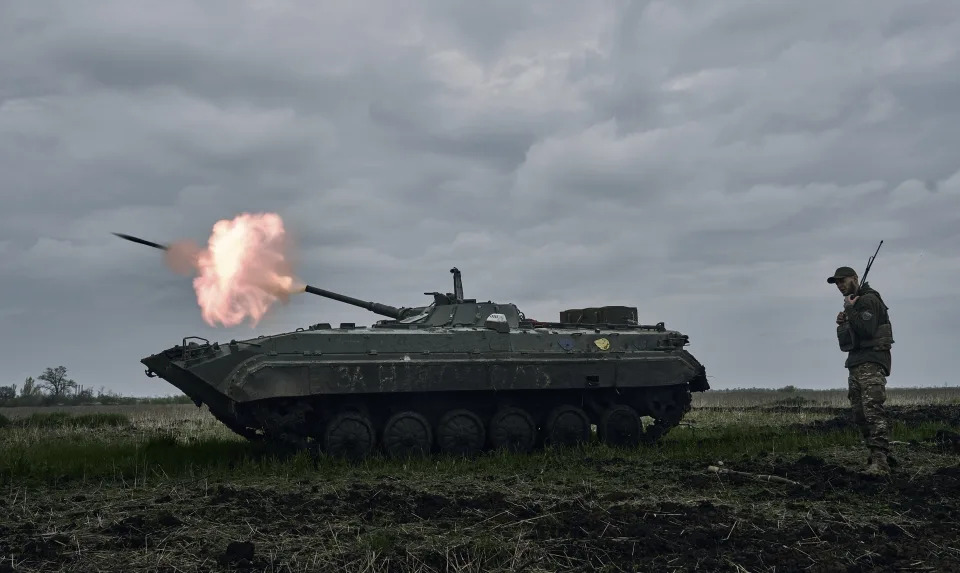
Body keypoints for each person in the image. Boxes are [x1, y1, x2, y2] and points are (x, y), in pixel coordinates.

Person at [828, 266, 895, 476]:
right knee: (859, 413)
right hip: (856, 362)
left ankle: (880, 461)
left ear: (855, 279)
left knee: (872, 410)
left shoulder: (868, 300)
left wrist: (849, 310)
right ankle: (878, 455)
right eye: (837, 283)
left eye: (843, 280)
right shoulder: (855, 303)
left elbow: (867, 329)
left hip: (872, 361)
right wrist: (844, 321)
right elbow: (849, 340)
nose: (840, 285)